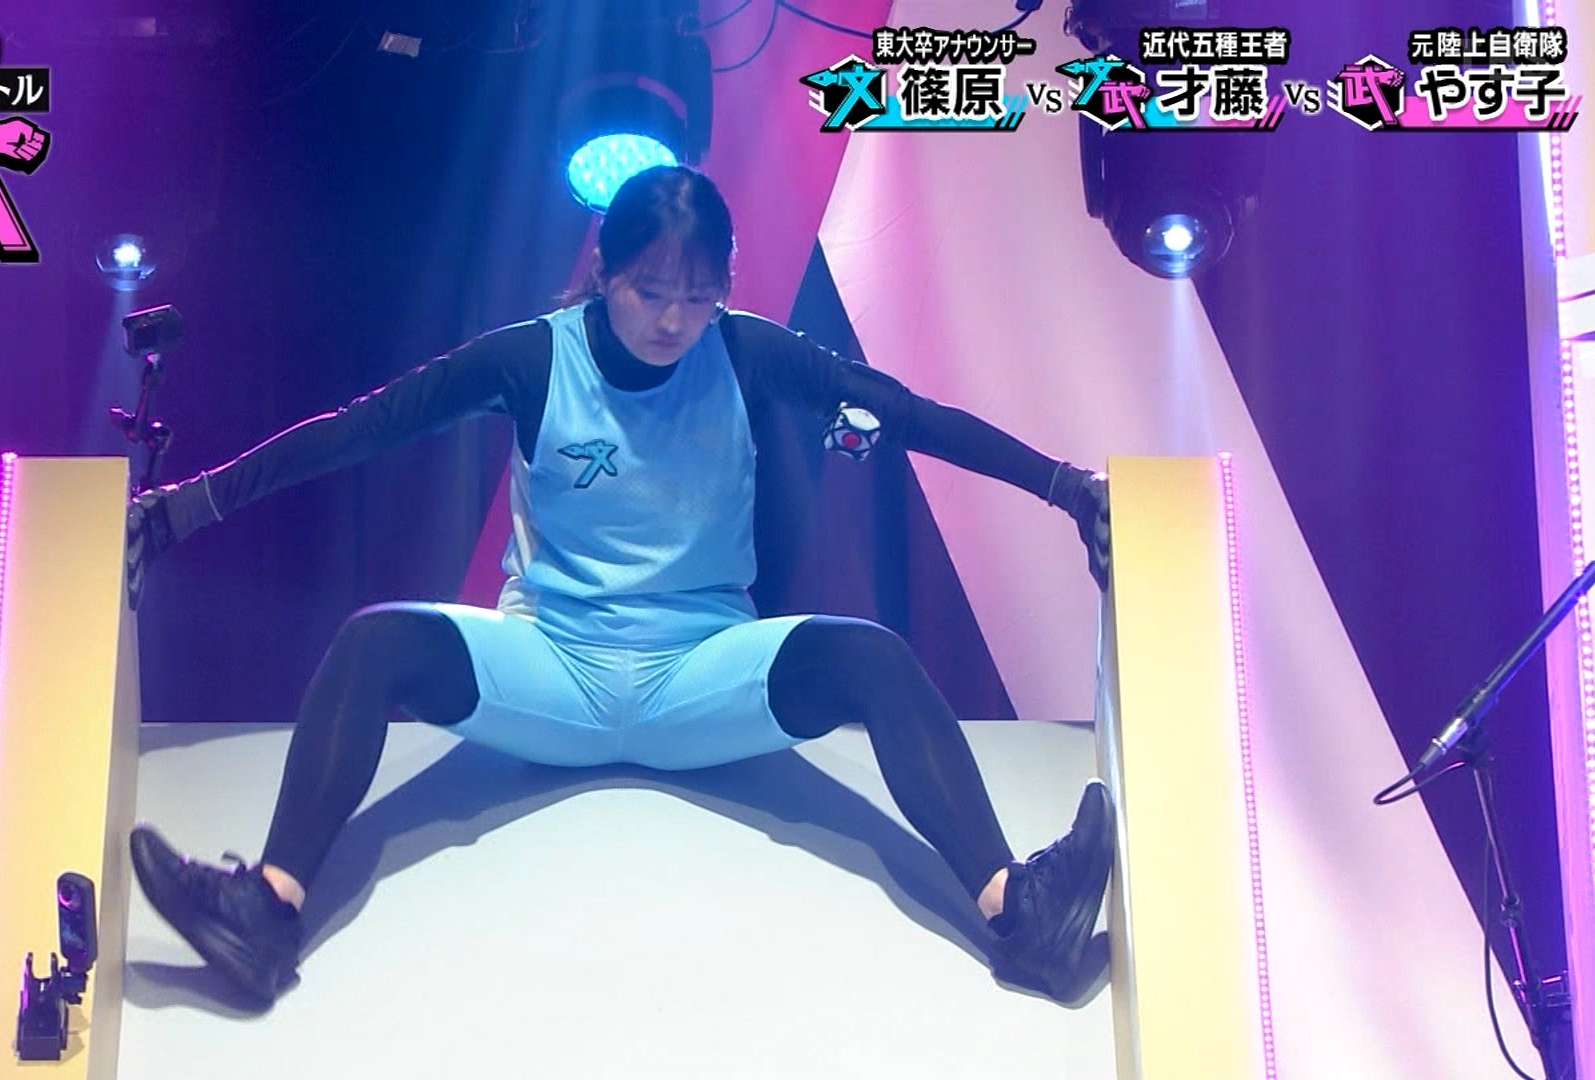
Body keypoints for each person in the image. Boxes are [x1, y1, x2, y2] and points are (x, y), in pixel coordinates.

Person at [125, 164, 1115, 1008]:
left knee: (873, 656)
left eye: (698, 295)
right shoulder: (533, 358)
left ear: (725, 286)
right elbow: (365, 426)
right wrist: (188, 507)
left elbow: (906, 413)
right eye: (650, 291)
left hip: (704, 675)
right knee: (374, 640)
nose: (673, 320)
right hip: (551, 669)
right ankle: (267, 913)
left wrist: (1065, 488)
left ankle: (1019, 915)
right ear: (604, 271)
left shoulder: (746, 350)